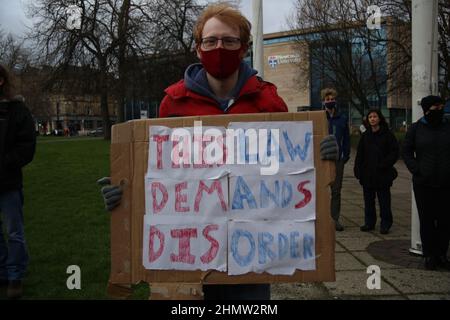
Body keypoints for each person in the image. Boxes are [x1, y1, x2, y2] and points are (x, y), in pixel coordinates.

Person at [99, 4, 339, 300]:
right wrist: (125, 196)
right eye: (210, 41)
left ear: (244, 48)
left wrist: (319, 156)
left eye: (229, 41)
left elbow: (286, 176)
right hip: (187, 258)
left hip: (251, 258)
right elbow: (160, 178)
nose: (219, 48)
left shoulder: (269, 103)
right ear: (198, 49)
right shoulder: (173, 104)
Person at [0, 64, 36, 299]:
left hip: (8, 182)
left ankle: (15, 275)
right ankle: (3, 270)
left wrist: (4, 163)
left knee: (14, 231)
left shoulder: (17, 110)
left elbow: (27, 148)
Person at [402, 95, 450, 271]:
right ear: (426, 110)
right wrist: (417, 169)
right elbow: (406, 151)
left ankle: (442, 254)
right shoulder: (416, 129)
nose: (439, 110)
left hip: (446, 183)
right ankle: (429, 255)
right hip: (424, 184)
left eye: (441, 106)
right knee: (427, 220)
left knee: (445, 221)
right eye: (435, 107)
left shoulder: (447, 126)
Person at [353, 109, 399, 234]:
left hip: (383, 174)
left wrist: (385, 164)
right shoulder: (366, 136)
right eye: (370, 117)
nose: (372, 119)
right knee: (368, 201)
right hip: (368, 174)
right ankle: (369, 222)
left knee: (384, 201)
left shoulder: (387, 135)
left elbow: (394, 152)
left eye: (375, 116)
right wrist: (357, 169)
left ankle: (385, 224)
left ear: (379, 118)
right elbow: (360, 154)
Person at [321, 88, 350, 231]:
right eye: (327, 99)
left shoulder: (342, 118)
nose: (330, 101)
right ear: (323, 101)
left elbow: (347, 138)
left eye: (332, 99)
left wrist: (346, 155)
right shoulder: (320, 117)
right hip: (323, 159)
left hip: (338, 159)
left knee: (336, 190)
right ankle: (323, 218)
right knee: (323, 189)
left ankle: (334, 219)